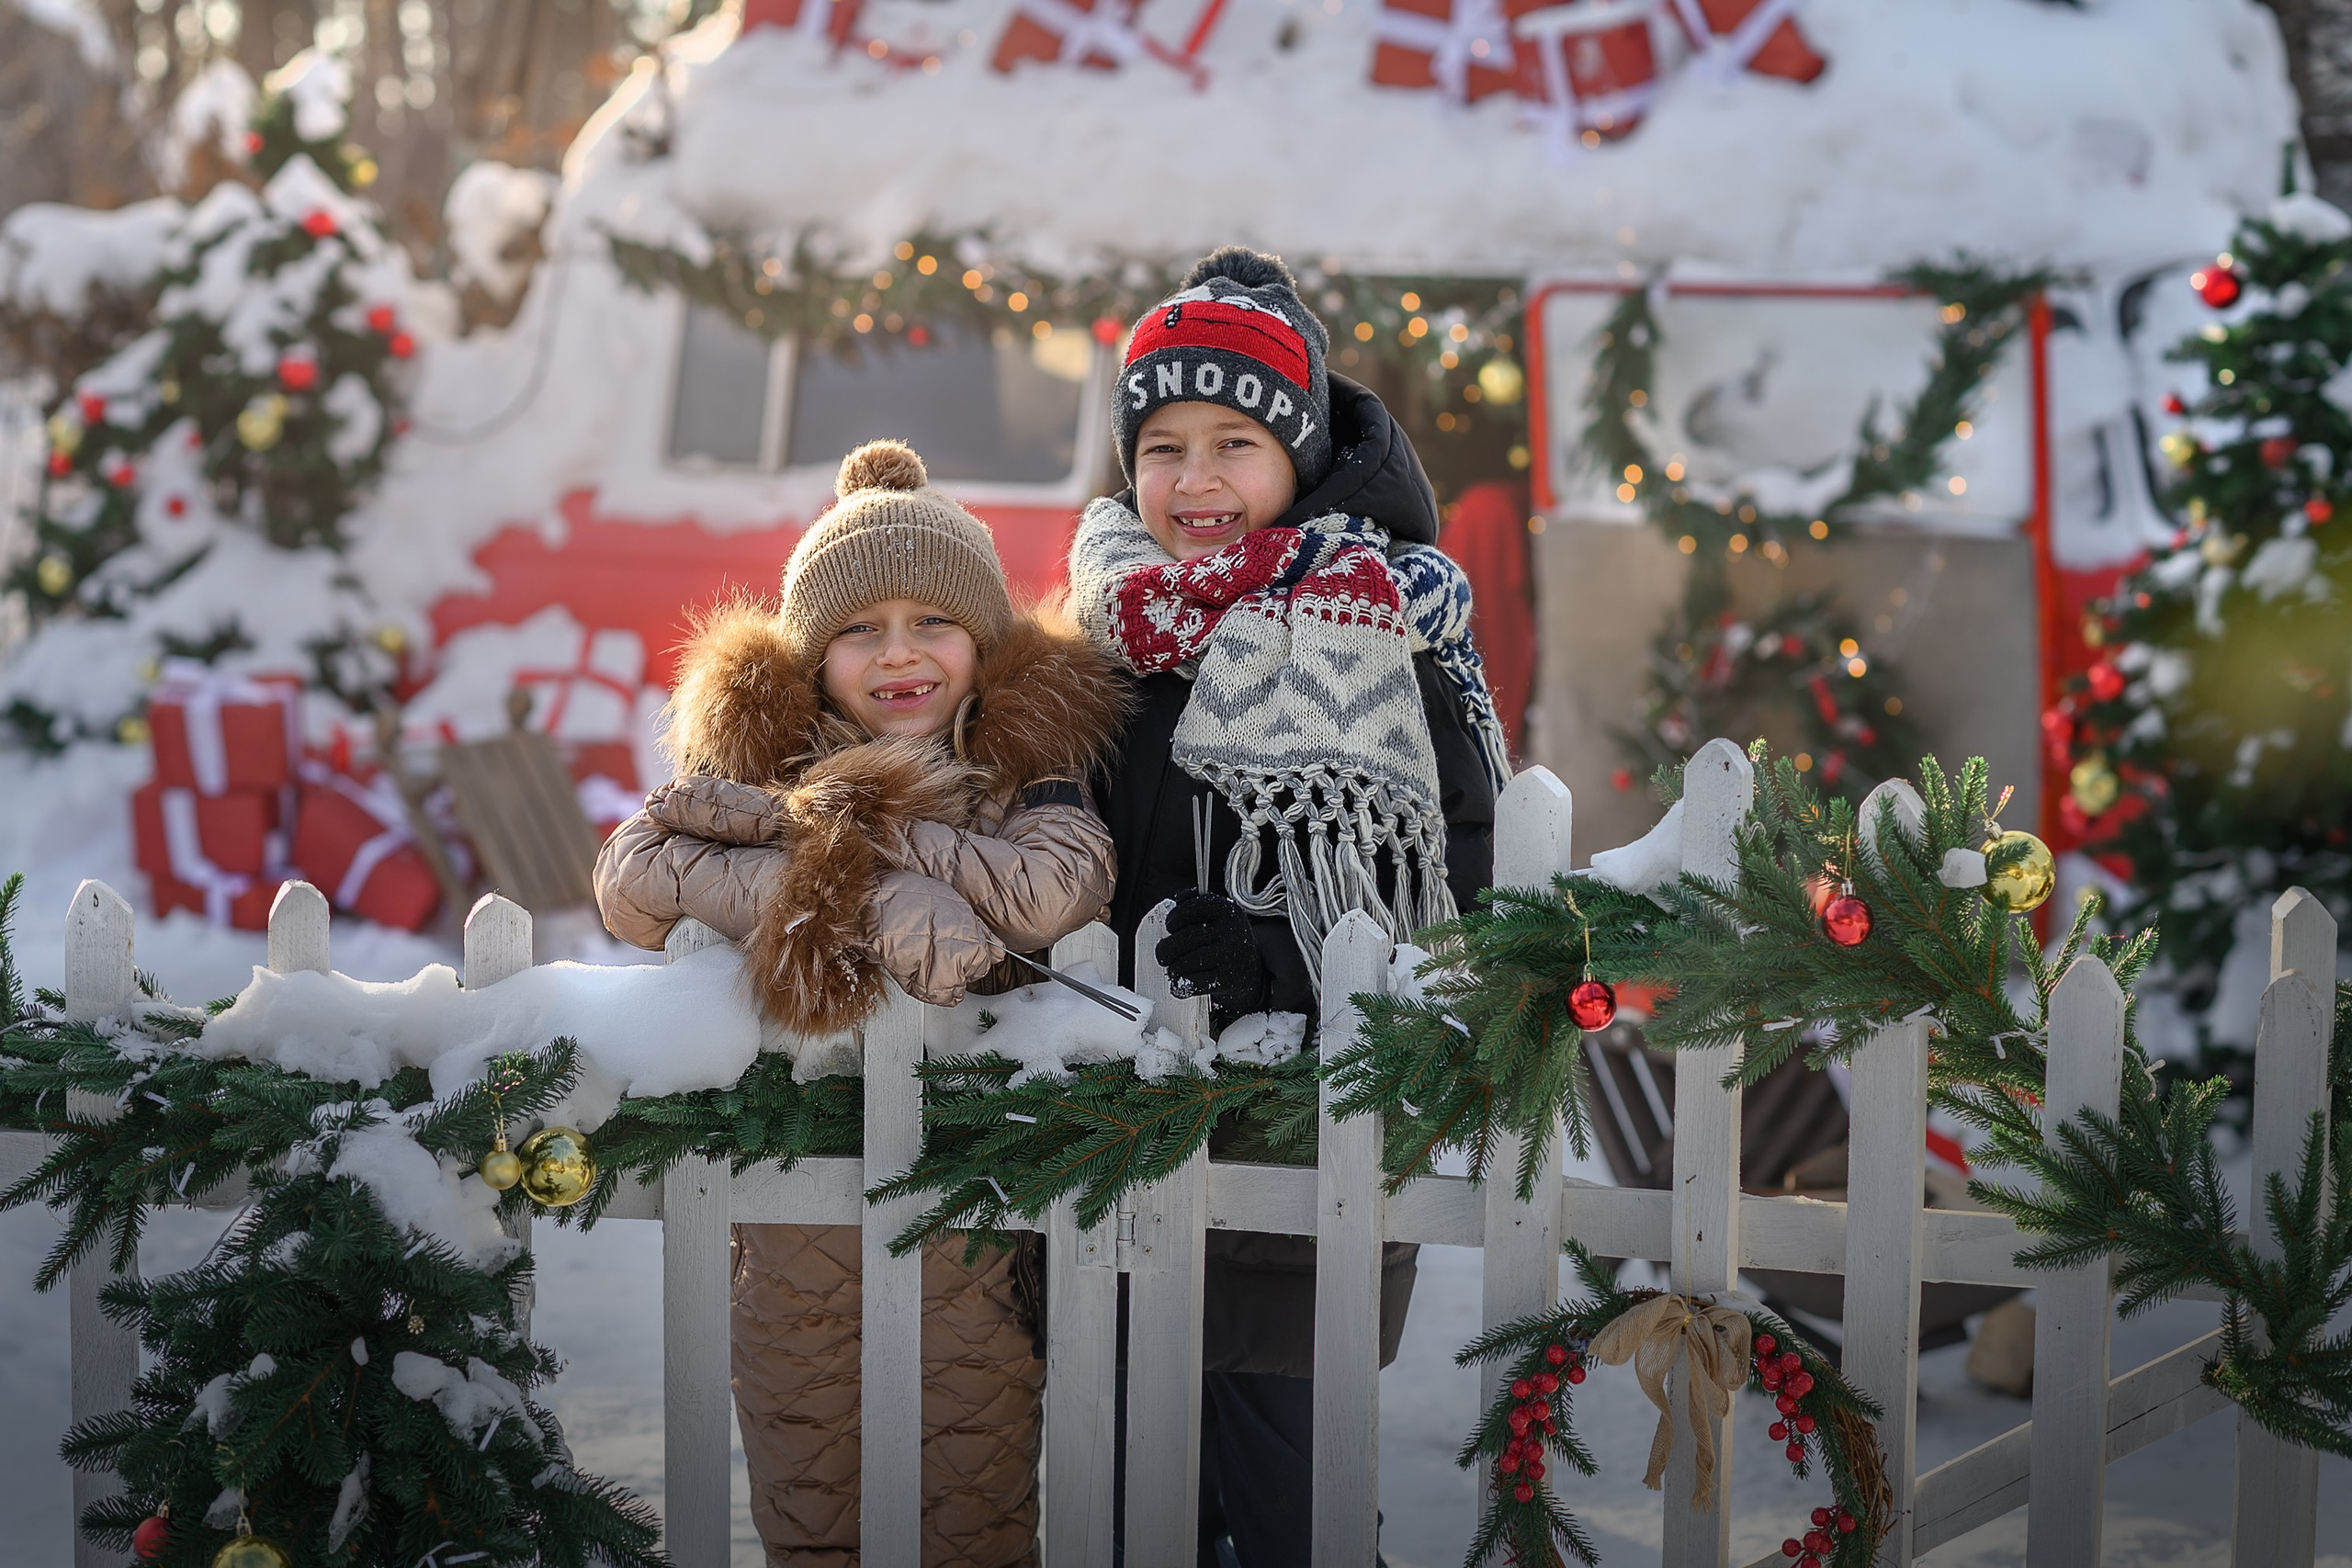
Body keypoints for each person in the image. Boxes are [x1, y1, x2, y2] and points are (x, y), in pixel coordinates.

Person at [594, 438, 1126, 1568]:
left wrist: (861, 831)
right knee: (811, 1499)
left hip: (975, 1207)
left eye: (930, 622)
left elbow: (1051, 888)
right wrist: (845, 872)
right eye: (857, 629)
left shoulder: (1020, 778)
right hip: (789, 1210)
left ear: (982, 645)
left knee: (976, 1503)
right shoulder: (761, 772)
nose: (898, 654)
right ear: (810, 654)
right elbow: (633, 878)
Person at [1068, 247, 1509, 1565]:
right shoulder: (1097, 631)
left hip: (1299, 1125)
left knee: (1290, 1499)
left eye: (1233, 443)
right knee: (1128, 1492)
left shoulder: (1387, 626)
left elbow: (1456, 874)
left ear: (1301, 457)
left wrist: (1278, 951)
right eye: (1162, 445)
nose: (1193, 481)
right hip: (1101, 1122)